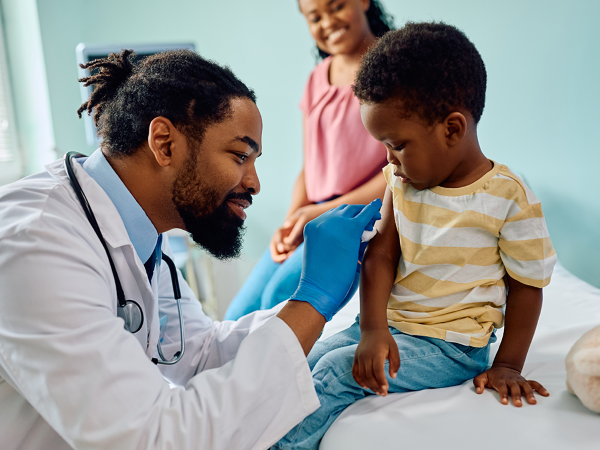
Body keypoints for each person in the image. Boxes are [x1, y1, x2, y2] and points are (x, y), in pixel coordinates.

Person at [0, 49, 382, 450]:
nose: (254, 183)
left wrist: (332, 316)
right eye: (239, 156)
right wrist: (312, 300)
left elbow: (201, 355)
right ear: (164, 143)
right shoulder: (36, 243)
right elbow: (151, 439)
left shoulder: (138, 236)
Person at [273, 22, 557, 450]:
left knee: (336, 372)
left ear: (452, 129)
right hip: (390, 326)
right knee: (305, 360)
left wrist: (509, 364)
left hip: (451, 349)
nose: (387, 159)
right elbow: (381, 256)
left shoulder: (508, 197)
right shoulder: (399, 183)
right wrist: (372, 329)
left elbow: (526, 286)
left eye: (397, 144)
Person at [224, 0, 394, 320]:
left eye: (337, 6)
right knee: (238, 314)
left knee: (278, 301)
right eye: (315, 17)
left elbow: (397, 171)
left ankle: (271, 371)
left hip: (359, 215)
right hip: (314, 214)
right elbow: (310, 166)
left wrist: (319, 212)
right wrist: (291, 223)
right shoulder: (317, 78)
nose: (328, 22)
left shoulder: (393, 71)